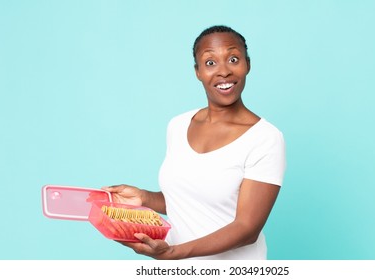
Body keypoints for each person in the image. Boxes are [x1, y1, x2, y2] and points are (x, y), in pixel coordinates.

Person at [102, 25, 286, 260]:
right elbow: (190, 201)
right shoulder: (178, 126)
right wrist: (144, 198)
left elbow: (247, 229)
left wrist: (174, 252)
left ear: (247, 65)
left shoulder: (265, 138)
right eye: (210, 63)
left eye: (233, 59)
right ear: (197, 71)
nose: (223, 71)